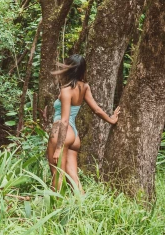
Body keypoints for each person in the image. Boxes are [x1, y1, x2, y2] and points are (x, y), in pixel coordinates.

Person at [47, 54, 119, 193]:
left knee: (57, 175)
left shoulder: (66, 90)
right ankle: (81, 207)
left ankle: (53, 209)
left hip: (62, 133)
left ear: (69, 69)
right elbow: (97, 110)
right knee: (73, 177)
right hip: (74, 135)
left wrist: (59, 147)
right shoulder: (84, 87)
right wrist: (111, 119)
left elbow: (64, 120)